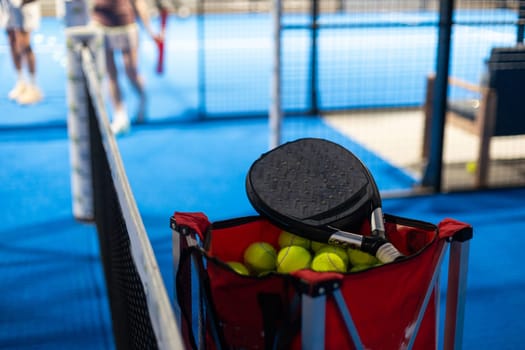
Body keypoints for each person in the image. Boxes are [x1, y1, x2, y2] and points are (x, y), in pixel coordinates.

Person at [91, 0, 162, 135]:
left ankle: (142, 97)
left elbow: (139, 4)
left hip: (126, 25)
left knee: (131, 71)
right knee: (111, 74)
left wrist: (151, 32)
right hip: (101, 26)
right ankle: (120, 115)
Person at [1, 0, 43, 105]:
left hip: (25, 5)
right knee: (12, 41)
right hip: (7, 4)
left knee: (24, 44)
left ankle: (33, 87)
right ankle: (21, 82)